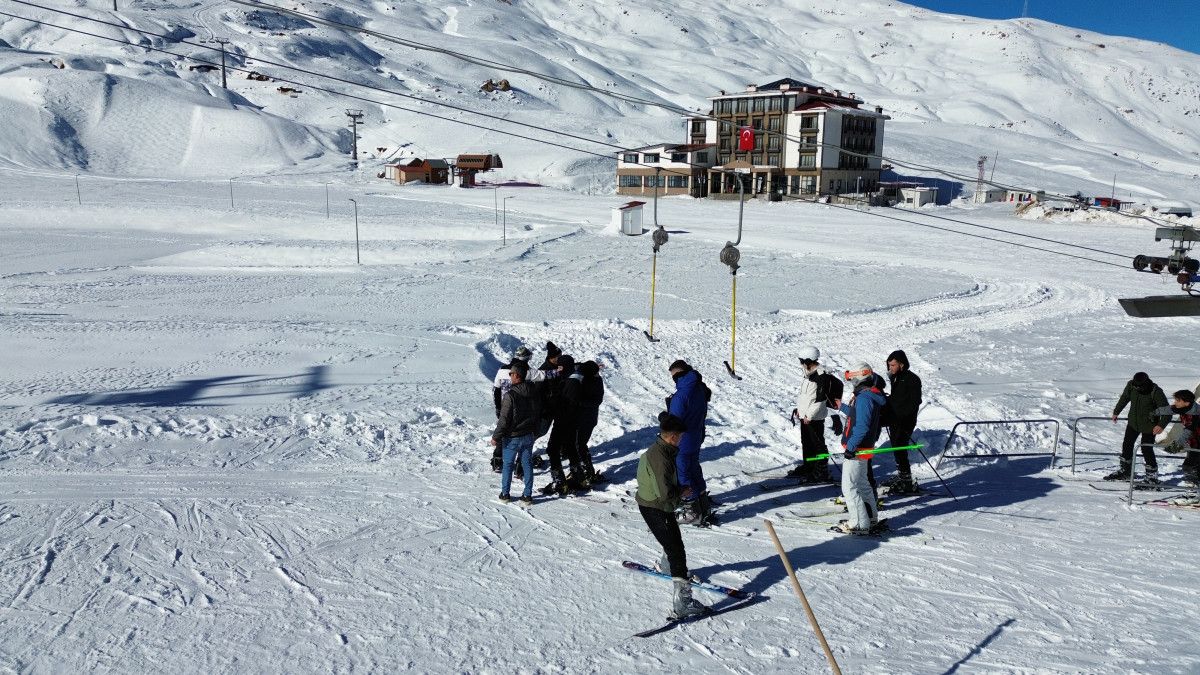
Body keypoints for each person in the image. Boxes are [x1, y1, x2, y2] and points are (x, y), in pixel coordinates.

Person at [636, 413, 710, 620]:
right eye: (681, 437)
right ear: (673, 437)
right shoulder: (661, 459)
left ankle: (668, 567)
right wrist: (682, 492)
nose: (682, 440)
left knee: (672, 540)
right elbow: (665, 494)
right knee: (677, 550)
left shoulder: (660, 449)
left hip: (654, 505)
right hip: (655, 508)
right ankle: (682, 602)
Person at [835, 363, 888, 535]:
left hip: (857, 449)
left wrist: (851, 447)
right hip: (862, 447)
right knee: (863, 484)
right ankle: (870, 518)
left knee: (849, 487)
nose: (852, 383)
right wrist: (842, 407)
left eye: (853, 379)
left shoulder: (864, 398)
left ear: (859, 378)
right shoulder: (868, 396)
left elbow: (862, 426)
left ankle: (858, 522)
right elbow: (857, 415)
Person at [491, 346, 553, 474]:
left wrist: (498, 408)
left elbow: (496, 390)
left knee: (503, 432)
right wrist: (561, 371)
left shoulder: (502, 370)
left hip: (504, 408)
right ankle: (520, 464)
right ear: (527, 358)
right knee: (522, 436)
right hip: (521, 411)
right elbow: (546, 375)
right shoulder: (527, 372)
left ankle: (497, 460)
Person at [666, 359, 713, 524]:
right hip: (696, 435)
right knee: (694, 468)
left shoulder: (681, 395)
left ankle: (691, 509)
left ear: (679, 374)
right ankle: (703, 505)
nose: (674, 380)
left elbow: (674, 422)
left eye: (674, 376)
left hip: (682, 440)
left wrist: (665, 416)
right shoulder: (699, 387)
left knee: (683, 472)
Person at [491, 361, 541, 504]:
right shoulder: (534, 392)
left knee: (508, 465)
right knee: (527, 464)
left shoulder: (510, 395)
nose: (510, 376)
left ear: (517, 376)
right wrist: (535, 432)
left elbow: (504, 420)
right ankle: (527, 496)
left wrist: (496, 437)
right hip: (528, 435)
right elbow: (537, 414)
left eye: (511, 374)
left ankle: (505, 494)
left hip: (512, 437)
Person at [1107, 372, 1169, 482]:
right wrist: (1116, 411)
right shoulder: (1131, 385)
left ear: (1145, 384)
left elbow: (1167, 411)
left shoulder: (1156, 391)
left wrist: (1161, 425)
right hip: (1133, 422)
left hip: (1150, 425)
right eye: (1135, 386)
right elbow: (1124, 398)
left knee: (1146, 449)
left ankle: (1152, 477)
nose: (1137, 388)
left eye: (1139, 387)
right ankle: (1126, 471)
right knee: (1127, 444)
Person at [789, 346, 834, 483]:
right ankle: (809, 467)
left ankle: (822, 471)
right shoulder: (808, 373)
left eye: (802, 361)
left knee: (818, 444)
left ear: (808, 360)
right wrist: (800, 410)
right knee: (807, 443)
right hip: (805, 416)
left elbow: (820, 400)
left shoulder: (821, 376)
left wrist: (809, 415)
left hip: (815, 417)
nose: (801, 363)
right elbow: (806, 395)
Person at [542, 354, 584, 495]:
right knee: (570, 446)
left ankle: (559, 481)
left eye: (560, 367)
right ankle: (578, 475)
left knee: (552, 449)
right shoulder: (572, 377)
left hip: (564, 420)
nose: (558, 369)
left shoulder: (571, 382)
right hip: (571, 420)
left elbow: (566, 403)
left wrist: (552, 404)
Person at [882, 349, 922, 494]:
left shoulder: (912, 379)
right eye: (889, 365)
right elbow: (897, 398)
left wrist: (902, 417)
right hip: (895, 419)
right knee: (896, 447)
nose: (890, 368)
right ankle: (902, 476)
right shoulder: (896, 378)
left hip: (905, 421)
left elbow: (914, 402)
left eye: (893, 365)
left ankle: (906, 480)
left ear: (902, 364)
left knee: (900, 447)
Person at [1159, 389, 1200, 488]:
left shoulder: (1194, 414)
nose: (1175, 402)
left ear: (1186, 403)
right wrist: (1152, 413)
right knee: (1192, 466)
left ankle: (1194, 490)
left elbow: (1188, 431)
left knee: (1189, 466)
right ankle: (1194, 489)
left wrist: (1177, 445)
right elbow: (1169, 409)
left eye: (1178, 400)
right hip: (1194, 443)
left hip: (1197, 443)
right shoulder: (1184, 408)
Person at [576, 360, 605, 484]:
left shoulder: (592, 381)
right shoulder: (591, 379)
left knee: (579, 445)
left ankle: (587, 471)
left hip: (585, 419)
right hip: (586, 419)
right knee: (579, 444)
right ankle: (586, 470)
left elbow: (596, 401)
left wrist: (578, 402)